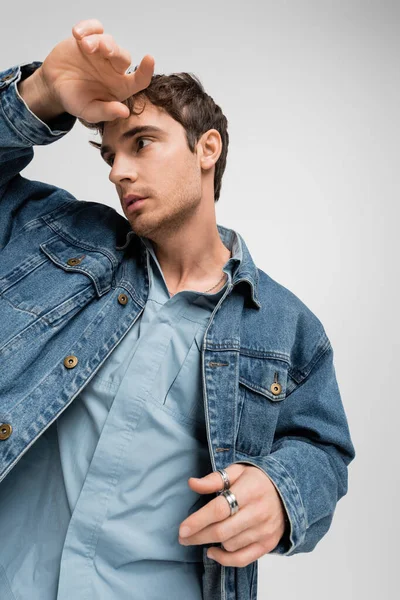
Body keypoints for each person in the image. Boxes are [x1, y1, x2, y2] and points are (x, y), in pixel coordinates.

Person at [0, 18, 355, 600]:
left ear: (206, 148)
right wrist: (38, 93)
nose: (118, 170)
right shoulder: (56, 238)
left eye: (141, 142)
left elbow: (324, 452)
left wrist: (282, 493)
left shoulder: (287, 327)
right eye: (109, 154)